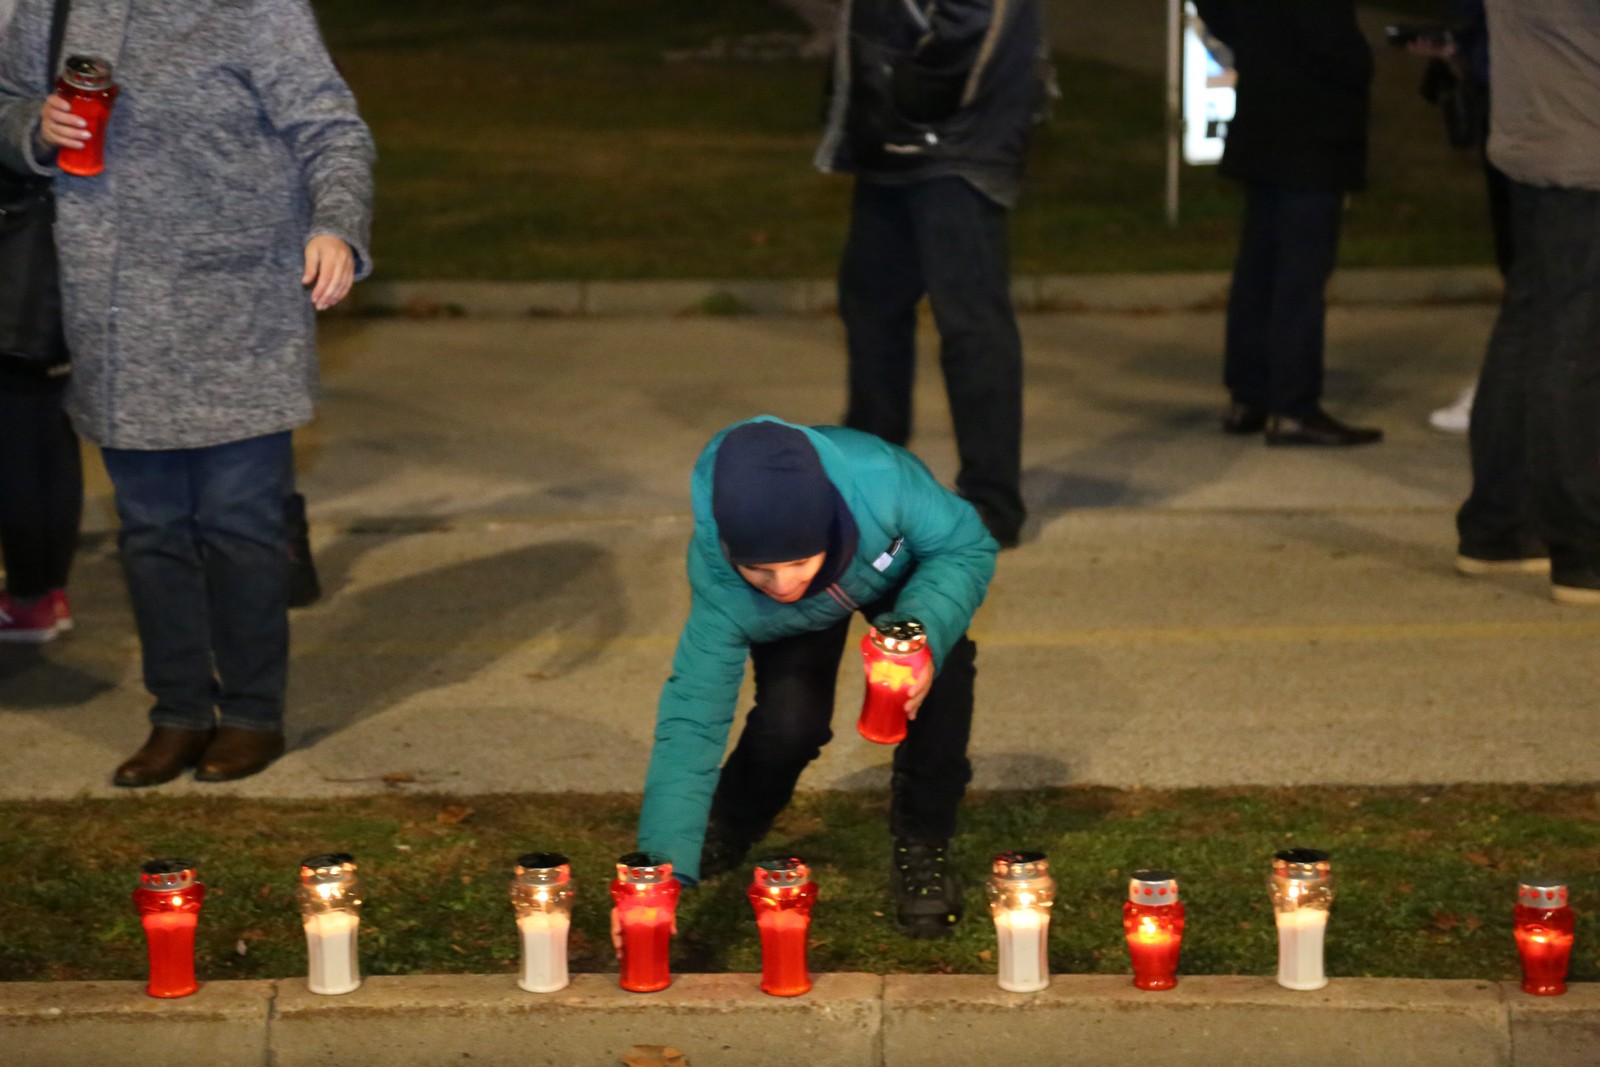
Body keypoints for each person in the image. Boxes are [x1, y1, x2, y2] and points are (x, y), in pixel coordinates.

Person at [0, 0, 374, 782]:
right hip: (113, 313)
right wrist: (35, 127)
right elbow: (5, 105)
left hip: (240, 306)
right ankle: (175, 712)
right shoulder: (53, 4)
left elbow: (330, 126)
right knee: (152, 531)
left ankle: (250, 712)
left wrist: (336, 225)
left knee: (239, 526)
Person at [636, 417, 997, 937]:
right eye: (760, 569)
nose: (782, 583)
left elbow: (965, 546)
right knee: (791, 724)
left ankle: (923, 844)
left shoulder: (883, 480)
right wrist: (659, 872)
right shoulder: (723, 583)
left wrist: (920, 634)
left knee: (938, 685)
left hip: (897, 569)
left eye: (799, 561)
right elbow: (691, 724)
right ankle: (731, 823)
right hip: (801, 619)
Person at [815, 0, 1049, 548]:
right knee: (872, 306)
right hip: (898, 139)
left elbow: (977, 18)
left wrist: (910, 88)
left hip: (953, 141)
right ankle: (872, 486)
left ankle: (991, 502)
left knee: (970, 325)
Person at [1455, 0, 1600, 604]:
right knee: (1575, 342)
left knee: (1531, 327)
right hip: (1584, 150)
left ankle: (1502, 525)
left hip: (1533, 140)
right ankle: (1585, 546)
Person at [1197, 0, 1383, 446]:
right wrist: (1359, 66)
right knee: (1299, 273)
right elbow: (1331, 37)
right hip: (1312, 124)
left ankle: (1250, 396)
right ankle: (1293, 405)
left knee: (1259, 264)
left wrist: (1255, 42)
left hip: (1265, 110)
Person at [0, 0, 79, 644]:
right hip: (38, 213)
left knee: (24, 409)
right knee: (35, 410)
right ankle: (38, 589)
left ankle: (34, 589)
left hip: (25, 212)